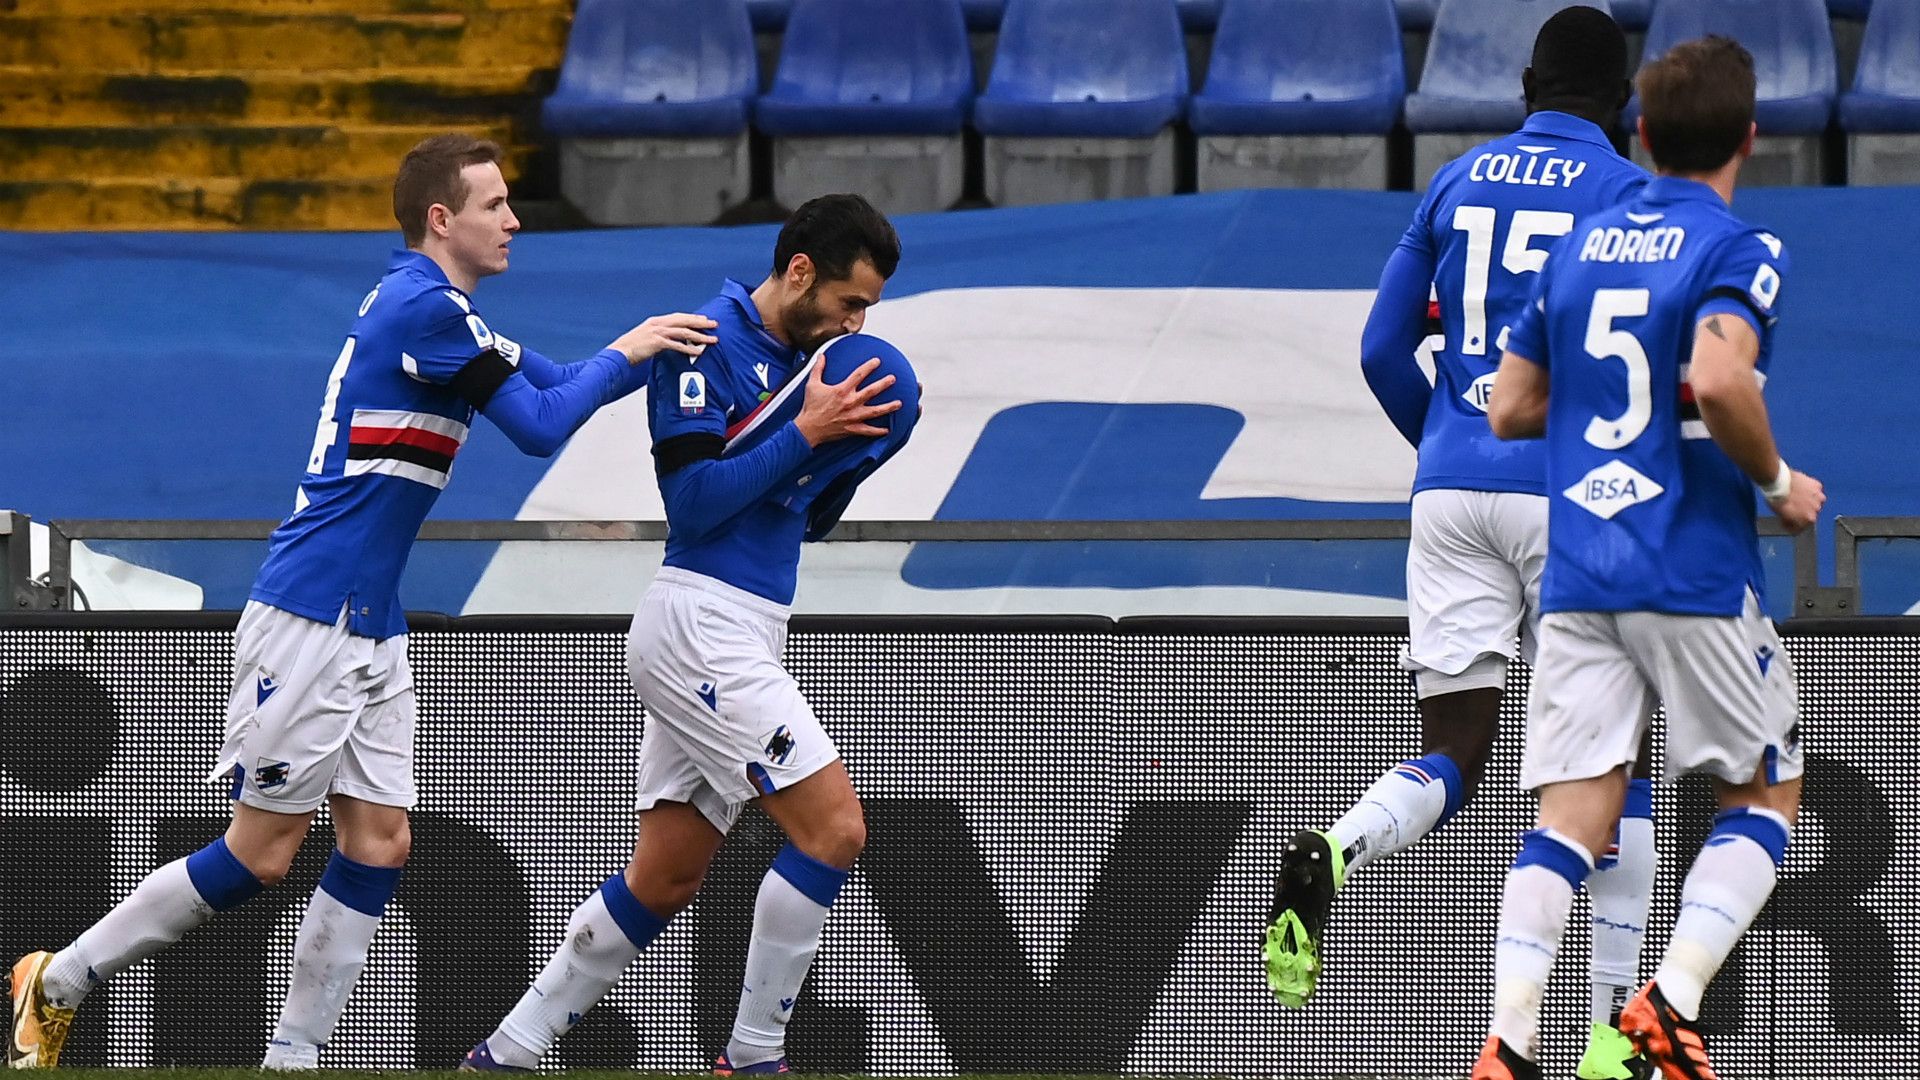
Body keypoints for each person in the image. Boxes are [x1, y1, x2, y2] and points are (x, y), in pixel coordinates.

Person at [6, 133, 717, 1069]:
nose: (513, 220)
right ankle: (55, 981)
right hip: (312, 612)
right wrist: (630, 351)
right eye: (495, 203)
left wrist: (649, 356)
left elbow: (550, 377)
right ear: (441, 218)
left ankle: (294, 1057)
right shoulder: (427, 309)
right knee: (262, 853)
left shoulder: (441, 310)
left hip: (368, 622)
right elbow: (543, 426)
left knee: (379, 844)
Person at [1266, 9, 1656, 1078]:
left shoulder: (1457, 179)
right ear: (1622, 102)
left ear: (1525, 83)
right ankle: (1610, 1041)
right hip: (1572, 498)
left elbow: (1382, 346)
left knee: (1458, 748)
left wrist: (1445, 441)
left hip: (1451, 492)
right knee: (1616, 773)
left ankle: (1339, 845)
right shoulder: (1630, 196)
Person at [463, 194, 918, 1074]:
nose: (856, 323)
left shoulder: (801, 360)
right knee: (834, 831)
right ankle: (754, 1057)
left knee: (664, 878)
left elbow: (801, 521)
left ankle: (509, 1051)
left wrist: (849, 456)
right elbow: (696, 505)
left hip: (743, 623)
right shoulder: (704, 343)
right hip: (701, 619)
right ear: (798, 273)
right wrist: (808, 433)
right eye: (849, 302)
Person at [1475, 34, 1822, 1080]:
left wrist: (1602, 422)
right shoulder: (1737, 249)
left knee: (1568, 820)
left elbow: (1508, 408)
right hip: (1692, 566)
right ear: (1749, 140)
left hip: (1581, 571)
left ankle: (1507, 1045)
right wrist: (1776, 485)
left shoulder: (1576, 248)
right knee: (1768, 793)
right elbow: (1721, 379)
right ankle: (1668, 1007)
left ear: (1641, 133)